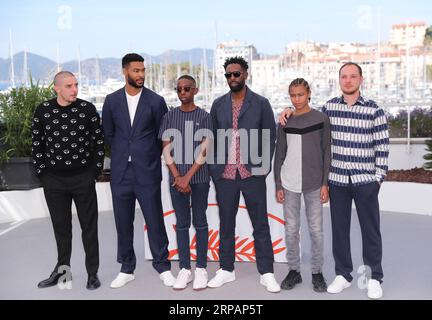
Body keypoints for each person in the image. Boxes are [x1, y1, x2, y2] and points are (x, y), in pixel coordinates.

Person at [279, 62, 389, 299]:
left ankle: (374, 277)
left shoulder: (374, 110)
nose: (348, 81)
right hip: (337, 180)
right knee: (339, 230)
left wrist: (377, 179)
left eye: (352, 76)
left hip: (365, 181)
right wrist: (288, 110)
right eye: (344, 77)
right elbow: (305, 113)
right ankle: (344, 274)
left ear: (361, 79)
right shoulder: (328, 109)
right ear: (339, 80)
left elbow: (382, 147)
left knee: (370, 230)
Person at [207, 56, 280, 293]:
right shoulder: (218, 104)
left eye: (236, 74)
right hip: (225, 176)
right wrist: (215, 170)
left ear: (245, 74)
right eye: (228, 75)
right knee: (226, 224)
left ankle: (267, 272)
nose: (232, 78)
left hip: (252, 175)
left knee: (260, 224)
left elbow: (270, 137)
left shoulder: (261, 103)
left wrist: (262, 169)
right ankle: (226, 269)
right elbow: (212, 138)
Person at [102, 53, 175, 288]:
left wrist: (147, 155)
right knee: (123, 221)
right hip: (121, 171)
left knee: (155, 219)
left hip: (147, 170)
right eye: (136, 70)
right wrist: (124, 153)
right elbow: (109, 134)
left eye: (143, 70)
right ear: (125, 71)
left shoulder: (155, 101)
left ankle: (163, 266)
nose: (141, 74)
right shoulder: (111, 100)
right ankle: (126, 267)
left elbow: (163, 135)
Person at [32, 71, 104, 290]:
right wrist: (44, 174)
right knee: (61, 229)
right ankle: (63, 272)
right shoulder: (43, 111)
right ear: (56, 88)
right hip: (54, 181)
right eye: (69, 86)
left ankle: (92, 274)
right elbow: (37, 144)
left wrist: (94, 171)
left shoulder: (87, 110)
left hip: (83, 178)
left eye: (76, 85)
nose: (74, 90)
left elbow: (99, 142)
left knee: (89, 228)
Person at [274, 78, 331, 293]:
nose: (296, 99)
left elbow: (327, 152)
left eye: (300, 94)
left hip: (315, 184)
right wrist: (278, 184)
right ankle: (294, 271)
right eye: (292, 95)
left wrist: (325, 183)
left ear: (308, 93)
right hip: (289, 183)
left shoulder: (321, 119)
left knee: (316, 230)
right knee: (291, 230)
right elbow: (279, 154)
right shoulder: (285, 122)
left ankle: (317, 272)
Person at [159, 75, 212, 290]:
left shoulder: (205, 116)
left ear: (195, 90)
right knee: (181, 223)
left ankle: (200, 268)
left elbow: (205, 150)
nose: (183, 93)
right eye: (179, 89)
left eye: (187, 88)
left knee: (199, 221)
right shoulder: (169, 116)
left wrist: (187, 177)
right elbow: (166, 148)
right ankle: (184, 268)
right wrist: (177, 176)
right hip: (176, 180)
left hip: (198, 179)